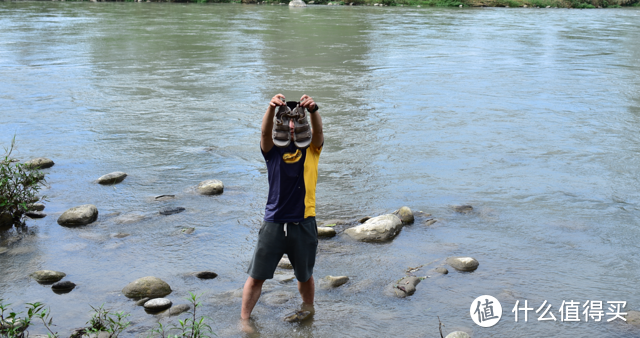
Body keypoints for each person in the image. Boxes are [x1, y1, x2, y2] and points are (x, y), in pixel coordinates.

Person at [241, 93, 324, 323]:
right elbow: (265, 133)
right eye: (286, 121)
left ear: (300, 124)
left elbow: (318, 134)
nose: (291, 125)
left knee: (305, 275)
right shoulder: (273, 152)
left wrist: (314, 110)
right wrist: (270, 108)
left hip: (304, 220)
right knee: (256, 276)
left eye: (295, 121)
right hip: (275, 221)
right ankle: (245, 321)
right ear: (282, 124)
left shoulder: (312, 151)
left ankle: (308, 310)